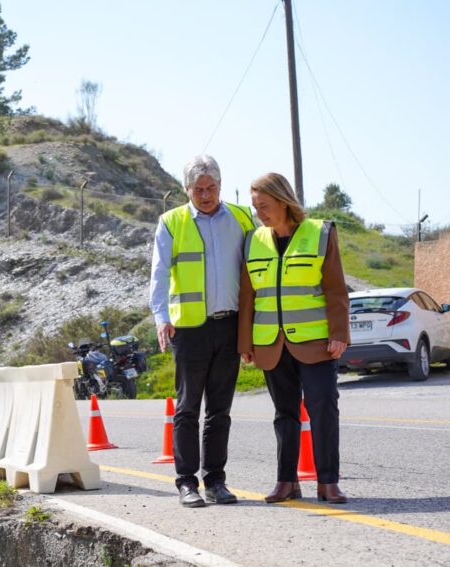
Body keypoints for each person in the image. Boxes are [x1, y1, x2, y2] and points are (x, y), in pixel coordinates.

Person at [149, 155, 255, 508]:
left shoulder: (241, 218)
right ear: (186, 190)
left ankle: (216, 480)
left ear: (221, 186)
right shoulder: (171, 221)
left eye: (211, 188)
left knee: (220, 410)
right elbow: (159, 273)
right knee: (188, 408)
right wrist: (161, 316)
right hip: (189, 329)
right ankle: (186, 482)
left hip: (229, 324)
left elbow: (255, 270)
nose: (206, 195)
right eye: (199, 189)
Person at [239, 173, 350, 504]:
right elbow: (247, 297)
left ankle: (328, 482)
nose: (260, 213)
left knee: (323, 410)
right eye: (256, 206)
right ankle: (286, 481)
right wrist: (245, 343)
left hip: (316, 343)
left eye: (265, 206)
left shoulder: (319, 233)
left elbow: (335, 288)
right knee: (284, 414)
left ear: (284, 202)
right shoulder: (252, 240)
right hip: (271, 343)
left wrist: (339, 333)